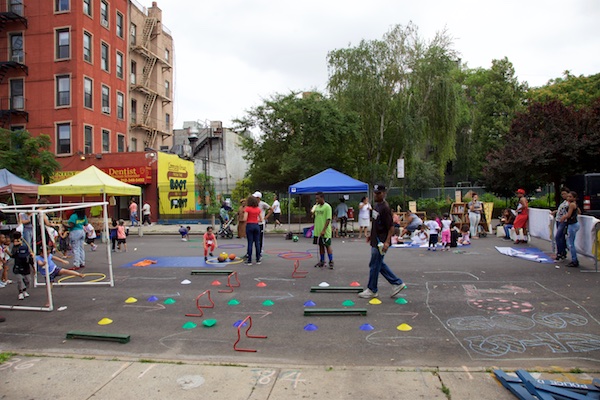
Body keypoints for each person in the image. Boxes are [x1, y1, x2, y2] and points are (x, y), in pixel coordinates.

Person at [358, 184, 406, 299]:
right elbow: (375, 222)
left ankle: (372, 289)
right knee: (377, 264)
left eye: (378, 193)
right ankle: (397, 283)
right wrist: (370, 234)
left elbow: (391, 227)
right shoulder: (376, 206)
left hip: (381, 241)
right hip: (375, 239)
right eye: (375, 193)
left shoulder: (385, 208)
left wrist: (387, 242)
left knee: (375, 264)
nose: (376, 195)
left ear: (384, 193)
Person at [313, 192, 334, 269]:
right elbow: (315, 216)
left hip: (325, 231)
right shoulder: (317, 207)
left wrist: (324, 230)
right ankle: (322, 261)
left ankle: (331, 261)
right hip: (317, 230)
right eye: (316, 198)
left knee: (327, 246)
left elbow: (328, 219)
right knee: (320, 246)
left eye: (318, 198)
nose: (317, 200)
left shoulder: (327, 207)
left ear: (322, 198)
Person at [561, 191, 580, 268]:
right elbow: (579, 212)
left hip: (572, 224)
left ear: (574, 198)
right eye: (568, 196)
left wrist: (564, 217)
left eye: (570, 197)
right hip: (574, 224)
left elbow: (569, 215)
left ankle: (574, 260)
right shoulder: (574, 204)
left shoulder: (572, 205)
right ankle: (574, 259)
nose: (568, 198)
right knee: (570, 242)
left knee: (571, 243)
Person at [11, 233, 32, 300]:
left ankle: (25, 290)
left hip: (25, 266)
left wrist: (34, 268)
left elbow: (30, 258)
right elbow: (12, 254)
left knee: (28, 280)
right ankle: (20, 292)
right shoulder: (15, 248)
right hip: (18, 266)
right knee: (20, 280)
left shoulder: (24, 244)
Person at [551, 187, 570, 260]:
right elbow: (561, 210)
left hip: (563, 221)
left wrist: (565, 217)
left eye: (564, 194)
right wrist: (555, 211)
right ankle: (562, 252)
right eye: (562, 194)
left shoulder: (569, 203)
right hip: (559, 220)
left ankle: (559, 252)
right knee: (561, 237)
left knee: (558, 237)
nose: (563, 195)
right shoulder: (564, 202)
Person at [244, 195, 263, 265]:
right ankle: (258, 259)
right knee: (257, 243)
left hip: (249, 225)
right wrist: (256, 220)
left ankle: (249, 260)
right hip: (256, 225)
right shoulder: (258, 209)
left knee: (250, 243)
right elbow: (261, 219)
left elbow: (245, 218)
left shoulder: (247, 209)